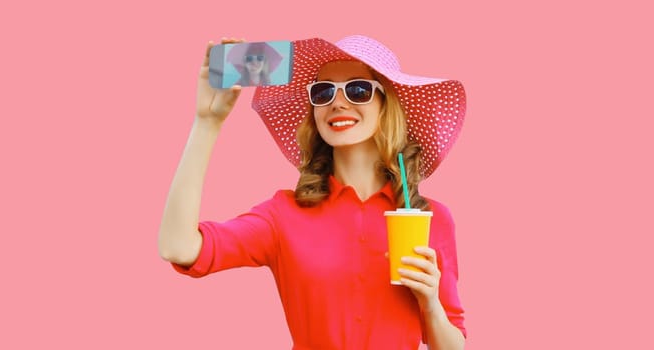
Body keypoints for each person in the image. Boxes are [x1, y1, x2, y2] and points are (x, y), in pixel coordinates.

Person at [159, 35, 468, 349]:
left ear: (387, 106)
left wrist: (431, 304)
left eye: (357, 90)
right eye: (323, 92)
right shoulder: (283, 215)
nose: (337, 102)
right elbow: (178, 248)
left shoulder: (431, 219)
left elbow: (454, 345)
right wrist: (206, 122)